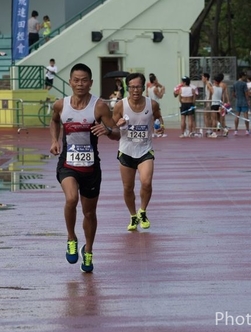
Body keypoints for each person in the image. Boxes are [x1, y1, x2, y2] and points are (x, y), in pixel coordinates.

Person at [49, 63, 120, 273]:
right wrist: (55, 140)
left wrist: (107, 130)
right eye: (76, 80)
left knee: (89, 213)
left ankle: (88, 251)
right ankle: (71, 237)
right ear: (70, 82)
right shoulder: (60, 105)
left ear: (90, 83)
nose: (80, 84)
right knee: (71, 199)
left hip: (90, 167)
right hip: (68, 163)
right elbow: (54, 122)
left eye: (84, 80)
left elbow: (116, 133)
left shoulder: (99, 107)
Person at [112, 73, 164, 231]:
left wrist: (160, 126)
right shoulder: (120, 105)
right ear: (128, 88)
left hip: (145, 149)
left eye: (138, 87)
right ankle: (133, 215)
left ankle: (142, 211)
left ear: (143, 87)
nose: (135, 90)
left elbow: (159, 119)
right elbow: (112, 128)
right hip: (126, 151)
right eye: (132, 87)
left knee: (146, 183)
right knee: (128, 188)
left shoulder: (152, 104)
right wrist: (118, 124)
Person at [231, 72, 251, 136]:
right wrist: (248, 100)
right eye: (244, 76)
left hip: (238, 101)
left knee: (237, 116)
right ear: (242, 76)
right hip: (244, 101)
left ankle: (236, 130)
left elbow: (233, 94)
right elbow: (246, 93)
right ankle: (247, 130)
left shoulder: (235, 83)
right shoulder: (244, 84)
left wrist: (237, 97)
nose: (245, 77)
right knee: (245, 115)